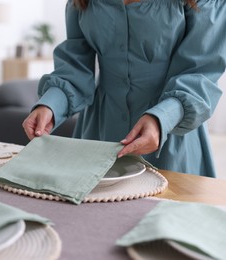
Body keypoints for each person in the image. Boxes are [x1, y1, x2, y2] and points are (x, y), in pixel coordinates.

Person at [22, 0, 226, 177]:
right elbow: (75, 66)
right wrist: (50, 105)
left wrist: (161, 118)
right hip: (99, 135)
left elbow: (200, 73)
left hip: (171, 134)